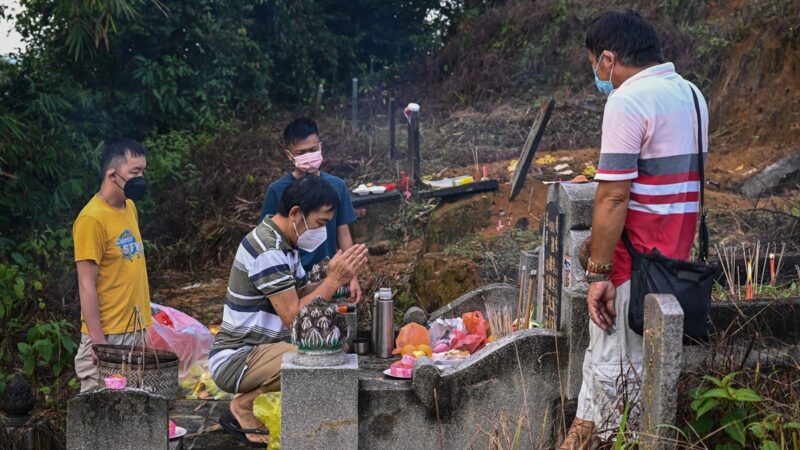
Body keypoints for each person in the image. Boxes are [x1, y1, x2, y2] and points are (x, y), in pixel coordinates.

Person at [560, 10, 708, 448]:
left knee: (612, 374)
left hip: (631, 265)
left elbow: (612, 197)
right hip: (674, 266)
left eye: (594, 65)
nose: (597, 75)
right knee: (629, 372)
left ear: (609, 59)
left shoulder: (627, 100)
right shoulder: (693, 95)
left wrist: (599, 273)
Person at [211, 175, 369, 445]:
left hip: (263, 349)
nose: (321, 232)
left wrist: (334, 278)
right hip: (237, 358)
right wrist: (332, 281)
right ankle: (244, 405)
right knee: (317, 359)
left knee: (334, 351)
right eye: (320, 223)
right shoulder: (268, 251)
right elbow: (294, 316)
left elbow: (301, 293)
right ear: (296, 213)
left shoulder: (286, 244)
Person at [73, 140, 153, 392]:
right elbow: (86, 283)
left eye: (144, 171)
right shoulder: (91, 219)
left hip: (136, 329)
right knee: (98, 415)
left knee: (135, 410)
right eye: (135, 172)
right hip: (108, 335)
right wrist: (98, 340)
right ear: (112, 174)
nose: (141, 178)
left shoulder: (129, 207)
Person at [260, 117, 362, 303]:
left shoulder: (337, 187)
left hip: (330, 274)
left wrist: (352, 277)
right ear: (289, 154)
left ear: (321, 146)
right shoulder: (277, 190)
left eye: (313, 150)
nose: (309, 155)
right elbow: (267, 240)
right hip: (291, 281)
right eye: (302, 152)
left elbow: (344, 233)